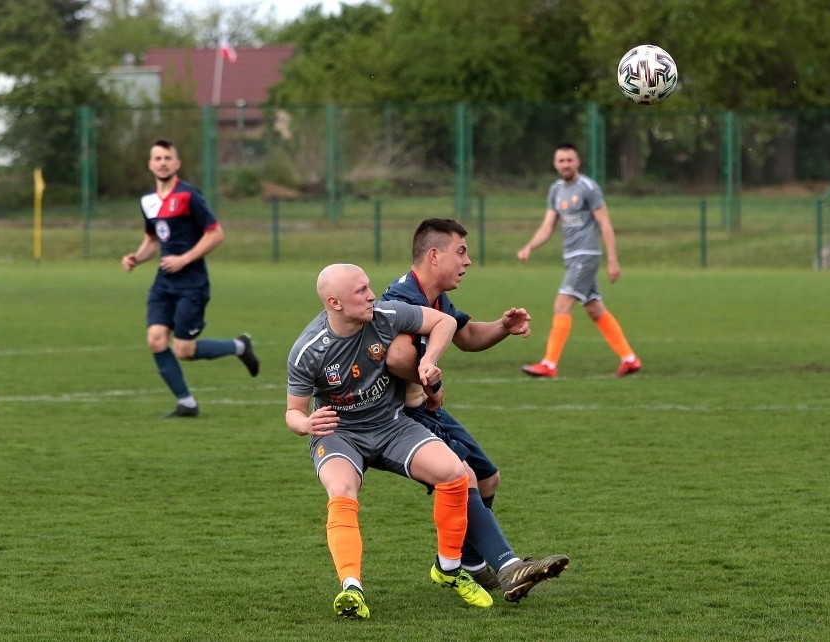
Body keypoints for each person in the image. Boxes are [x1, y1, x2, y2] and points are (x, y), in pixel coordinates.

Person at [285, 263, 494, 620]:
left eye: (368, 286)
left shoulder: (385, 315)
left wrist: (428, 360)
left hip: (392, 425)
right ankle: (352, 587)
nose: (371, 295)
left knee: (454, 472)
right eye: (361, 291)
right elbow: (292, 412)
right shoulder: (308, 350)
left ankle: (448, 566)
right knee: (341, 490)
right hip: (340, 433)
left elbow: (443, 322)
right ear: (334, 303)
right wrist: (306, 423)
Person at [382, 218, 570, 603]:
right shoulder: (401, 300)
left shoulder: (433, 297)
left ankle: (465, 564)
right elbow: (397, 356)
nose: (467, 262)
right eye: (461, 252)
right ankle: (507, 566)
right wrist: (430, 383)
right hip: (399, 419)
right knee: (462, 475)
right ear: (434, 256)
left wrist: (502, 327)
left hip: (426, 410)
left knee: (488, 480)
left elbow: (464, 335)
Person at [121, 138, 259, 418]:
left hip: (192, 284)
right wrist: (137, 257)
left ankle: (239, 346)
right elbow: (152, 239)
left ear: (177, 163)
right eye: (157, 158)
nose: (162, 163)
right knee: (156, 340)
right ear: (150, 164)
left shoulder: (189, 196)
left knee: (183, 349)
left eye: (167, 158)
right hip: (163, 282)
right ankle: (187, 403)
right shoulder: (147, 201)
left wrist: (184, 259)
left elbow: (216, 234)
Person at [517, 142, 641, 378]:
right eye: (561, 160)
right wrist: (529, 247)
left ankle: (549, 364)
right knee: (595, 308)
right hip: (572, 257)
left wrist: (612, 260)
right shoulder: (556, 190)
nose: (565, 164)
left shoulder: (588, 188)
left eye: (569, 160)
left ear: (578, 161)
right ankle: (630, 359)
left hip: (587, 255)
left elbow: (605, 223)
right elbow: (548, 226)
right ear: (555, 164)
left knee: (561, 305)